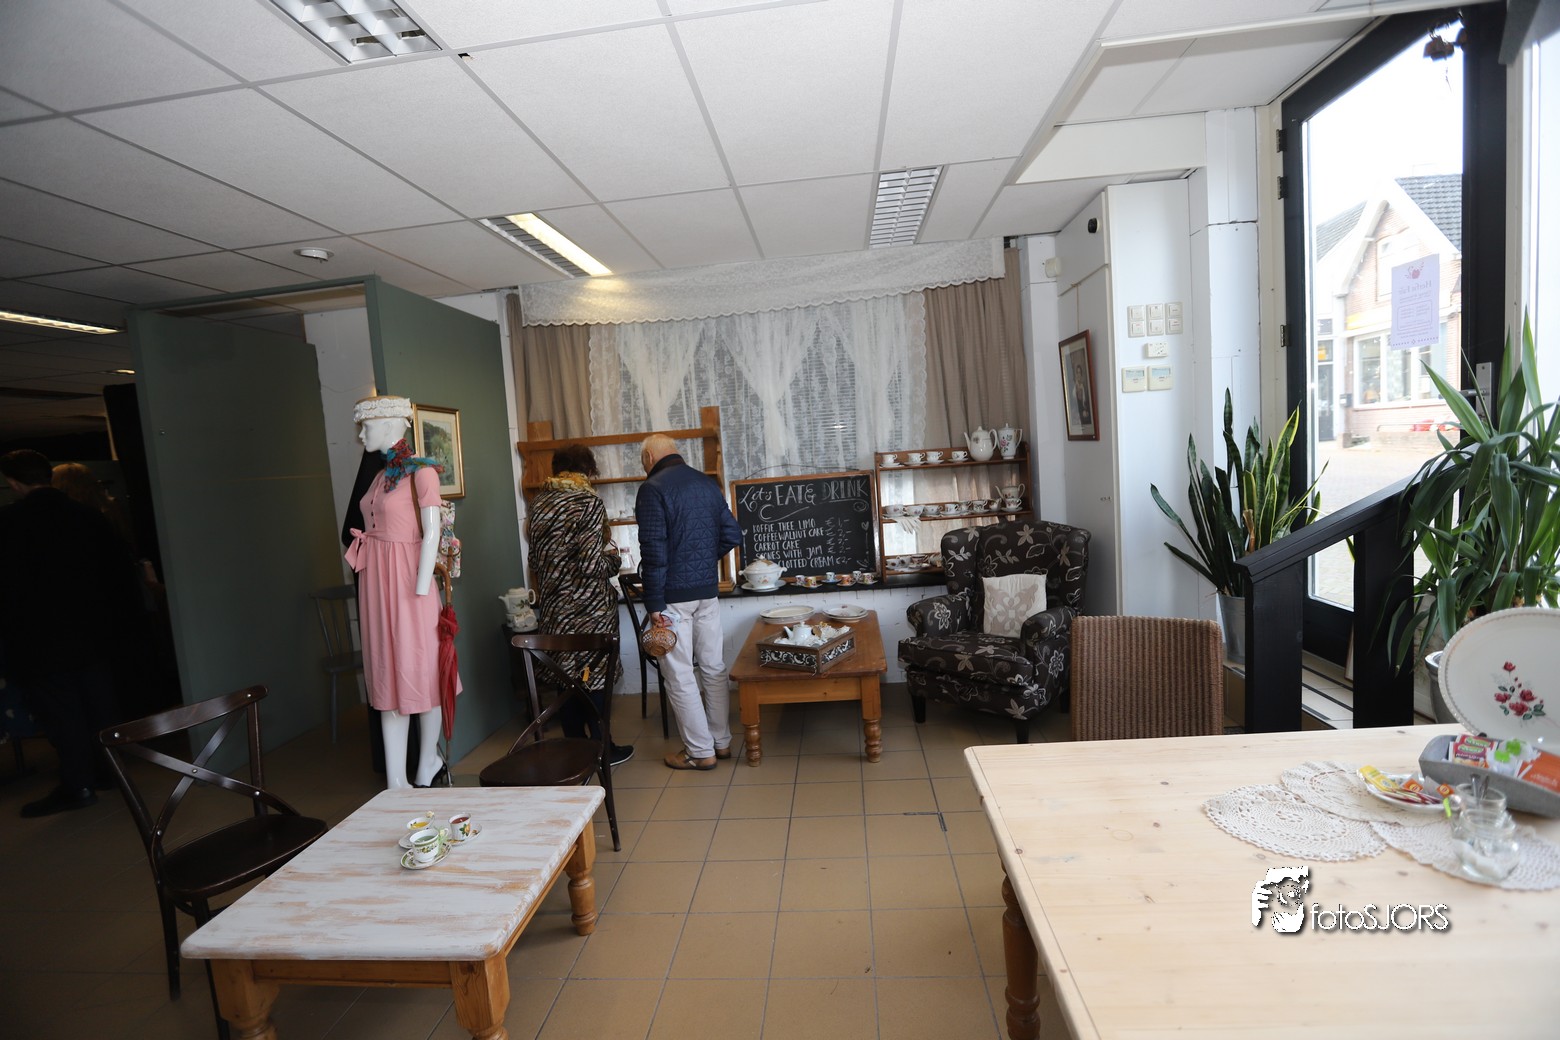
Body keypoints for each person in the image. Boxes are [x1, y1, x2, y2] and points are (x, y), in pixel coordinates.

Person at [0, 449, 140, 817]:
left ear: (13, 482)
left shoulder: (10, 522)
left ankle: (77, 784)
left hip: (40, 640)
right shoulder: (89, 517)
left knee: (62, 714)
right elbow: (119, 577)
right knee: (100, 707)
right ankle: (109, 772)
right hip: (93, 635)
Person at [343, 395, 458, 789]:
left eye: (366, 427)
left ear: (391, 425)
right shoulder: (380, 476)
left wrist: (421, 587)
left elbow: (433, 532)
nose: (362, 435)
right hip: (377, 584)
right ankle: (395, 780)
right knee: (386, 674)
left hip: (410, 586)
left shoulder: (421, 473)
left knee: (419, 671)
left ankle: (427, 762)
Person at [635, 434, 743, 770]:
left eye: (642, 461)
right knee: (713, 667)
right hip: (707, 593)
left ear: (649, 457)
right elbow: (732, 534)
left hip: (672, 598)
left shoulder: (652, 489)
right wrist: (701, 563)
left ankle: (700, 752)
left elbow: (653, 551)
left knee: (679, 674)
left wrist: (654, 603)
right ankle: (721, 742)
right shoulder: (706, 483)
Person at [527, 444, 632, 766]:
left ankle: (574, 748)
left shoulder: (539, 503)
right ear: (588, 470)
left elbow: (535, 561)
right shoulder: (587, 502)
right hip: (589, 610)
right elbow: (589, 565)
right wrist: (614, 561)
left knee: (566, 677)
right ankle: (602, 749)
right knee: (595, 677)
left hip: (555, 608)